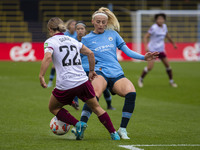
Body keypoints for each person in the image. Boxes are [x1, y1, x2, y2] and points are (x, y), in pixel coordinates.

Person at [79, 7, 159, 139]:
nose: (100, 24)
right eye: (98, 22)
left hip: (116, 73)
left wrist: (144, 57)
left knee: (131, 93)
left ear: (106, 22)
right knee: (94, 95)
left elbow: (127, 51)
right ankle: (81, 126)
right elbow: (82, 62)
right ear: (92, 21)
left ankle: (122, 129)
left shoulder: (113, 34)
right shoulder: (86, 40)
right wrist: (88, 72)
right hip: (100, 73)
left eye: (103, 22)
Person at [39, 17, 120, 140]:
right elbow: (90, 53)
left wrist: (41, 76)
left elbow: (48, 57)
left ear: (50, 29)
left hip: (66, 84)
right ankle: (114, 133)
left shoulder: (50, 41)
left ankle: (78, 124)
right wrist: (92, 71)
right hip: (83, 81)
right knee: (97, 108)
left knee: (53, 107)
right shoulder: (73, 41)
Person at [76, 21, 115, 110]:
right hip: (82, 69)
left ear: (85, 30)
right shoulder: (73, 41)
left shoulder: (90, 39)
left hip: (94, 68)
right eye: (78, 29)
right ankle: (77, 104)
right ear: (76, 31)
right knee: (77, 87)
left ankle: (109, 105)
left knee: (103, 88)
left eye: (82, 28)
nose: (80, 31)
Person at [138, 13, 178, 88]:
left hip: (161, 50)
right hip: (153, 50)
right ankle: (140, 79)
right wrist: (146, 46)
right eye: (159, 19)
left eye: (162, 19)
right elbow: (146, 36)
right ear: (156, 20)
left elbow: (167, 36)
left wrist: (173, 43)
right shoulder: (154, 27)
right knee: (150, 67)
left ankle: (171, 81)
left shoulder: (164, 27)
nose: (160, 20)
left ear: (164, 20)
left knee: (168, 66)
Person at [47, 19, 79, 108]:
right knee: (54, 66)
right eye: (73, 24)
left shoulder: (77, 34)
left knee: (75, 79)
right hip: (64, 56)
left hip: (74, 57)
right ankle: (50, 81)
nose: (74, 26)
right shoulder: (65, 34)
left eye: (75, 25)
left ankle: (73, 100)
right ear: (68, 26)